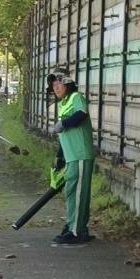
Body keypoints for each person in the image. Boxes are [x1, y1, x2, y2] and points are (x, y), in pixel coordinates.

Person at [47, 68, 95, 244]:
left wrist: (64, 123)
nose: (56, 87)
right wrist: (59, 157)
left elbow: (81, 114)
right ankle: (73, 226)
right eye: (53, 85)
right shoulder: (62, 104)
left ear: (67, 83)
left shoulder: (76, 97)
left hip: (80, 153)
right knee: (71, 192)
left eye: (59, 83)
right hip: (71, 155)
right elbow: (64, 135)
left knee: (78, 192)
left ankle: (76, 232)